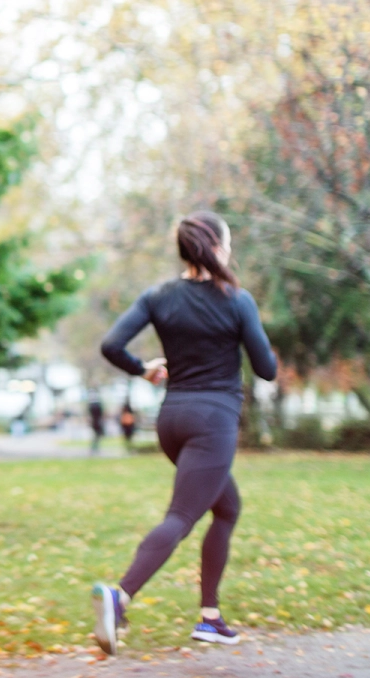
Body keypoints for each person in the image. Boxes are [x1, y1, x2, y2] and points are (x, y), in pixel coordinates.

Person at [91, 211, 277, 654]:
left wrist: (144, 370)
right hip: (212, 423)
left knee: (227, 507)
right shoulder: (236, 299)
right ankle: (120, 597)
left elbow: (111, 346)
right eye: (227, 243)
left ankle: (210, 617)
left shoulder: (158, 296)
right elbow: (266, 369)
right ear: (216, 247)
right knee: (181, 516)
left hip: (172, 421)